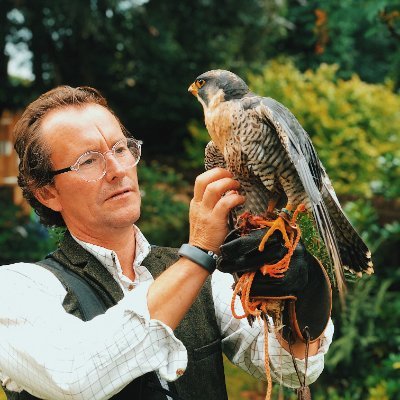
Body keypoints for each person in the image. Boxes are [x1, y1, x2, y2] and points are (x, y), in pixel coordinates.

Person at [0, 86, 333, 400]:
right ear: (48, 193)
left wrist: (306, 292)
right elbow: (74, 376)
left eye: (120, 149)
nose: (117, 170)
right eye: (89, 160)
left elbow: (291, 368)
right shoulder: (17, 289)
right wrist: (199, 251)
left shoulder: (204, 278)